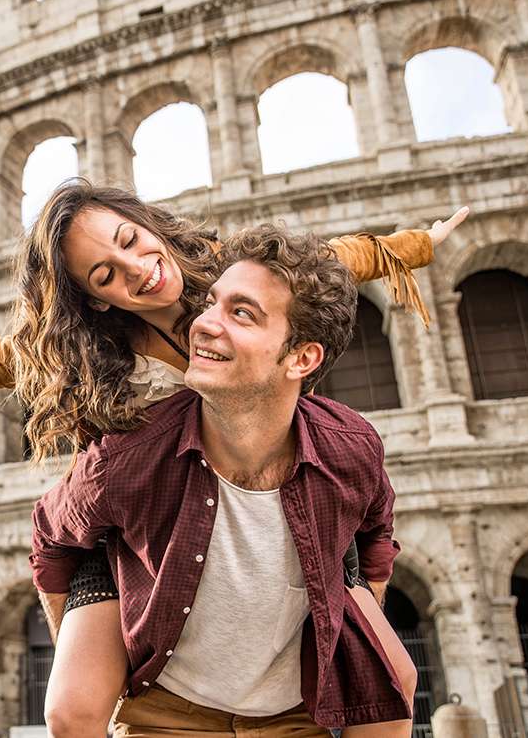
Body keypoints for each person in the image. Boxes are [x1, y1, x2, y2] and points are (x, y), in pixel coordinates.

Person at [0, 181, 466, 734]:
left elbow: (334, 262)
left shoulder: (229, 272)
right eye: (106, 274)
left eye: (130, 241)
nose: (138, 271)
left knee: (394, 673)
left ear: (145, 223)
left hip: (284, 487)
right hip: (137, 513)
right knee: (70, 708)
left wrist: (416, 245)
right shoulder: (95, 348)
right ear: (95, 299)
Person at [31, 224, 410, 734]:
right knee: (70, 711)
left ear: (303, 358)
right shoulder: (124, 455)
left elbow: (376, 537)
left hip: (294, 710)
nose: (203, 324)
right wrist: (74, 643)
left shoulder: (351, 447)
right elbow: (51, 537)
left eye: (242, 313)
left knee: (397, 683)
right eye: (210, 303)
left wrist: (350, 628)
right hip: (166, 708)